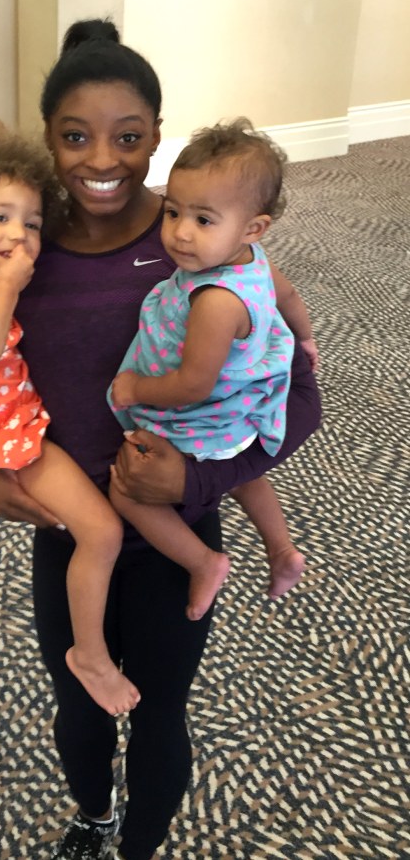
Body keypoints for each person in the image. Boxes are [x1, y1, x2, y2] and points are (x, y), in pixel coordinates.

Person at [0, 19, 321, 860]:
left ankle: (139, 847)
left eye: (129, 137)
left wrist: (198, 479)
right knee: (77, 702)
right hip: (70, 529)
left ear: (155, 136)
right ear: (47, 140)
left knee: (161, 711)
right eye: (75, 136)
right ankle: (92, 812)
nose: (102, 159)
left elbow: (297, 404)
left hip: (179, 524)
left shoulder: (197, 243)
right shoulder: (16, 251)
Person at [0, 128, 140, 716]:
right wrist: (9, 287)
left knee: (104, 523)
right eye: (0, 217)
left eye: (31, 223)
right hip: (6, 440)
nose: (18, 234)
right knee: (103, 531)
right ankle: (89, 654)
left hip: (18, 423)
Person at [108, 118, 317, 622]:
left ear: (254, 227)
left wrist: (135, 387)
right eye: (173, 211)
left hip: (204, 414)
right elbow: (286, 295)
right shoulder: (252, 260)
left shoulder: (216, 301)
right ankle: (282, 548)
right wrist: (305, 338)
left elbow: (193, 384)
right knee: (247, 475)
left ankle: (203, 561)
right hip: (244, 410)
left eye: (204, 220)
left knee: (125, 491)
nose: (180, 232)